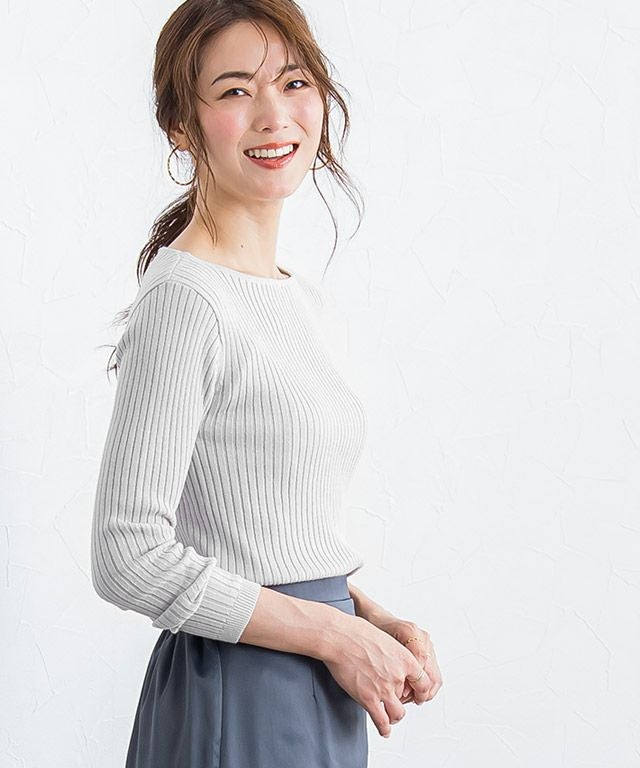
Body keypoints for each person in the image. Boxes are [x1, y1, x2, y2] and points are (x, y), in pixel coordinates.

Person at [90, 1, 442, 766]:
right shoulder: (187, 300)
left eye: (293, 82)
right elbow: (128, 554)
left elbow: (261, 539)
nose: (273, 115)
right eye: (235, 91)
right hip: (243, 690)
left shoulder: (296, 297)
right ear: (181, 126)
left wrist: (363, 619)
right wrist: (334, 634)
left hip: (314, 680)